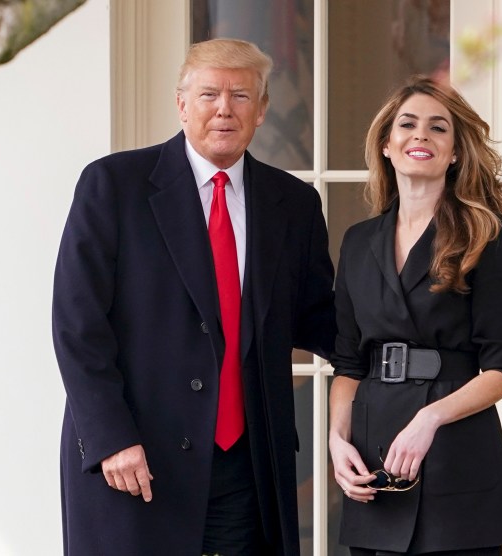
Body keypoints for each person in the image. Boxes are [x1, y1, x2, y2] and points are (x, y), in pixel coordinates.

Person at [53, 38, 336, 556]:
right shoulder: (114, 185)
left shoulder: (293, 203)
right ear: (182, 105)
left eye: (241, 96)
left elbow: (322, 320)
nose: (225, 108)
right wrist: (111, 437)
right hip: (136, 460)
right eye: (209, 94)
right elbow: (77, 326)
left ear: (263, 109)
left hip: (247, 467)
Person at [328, 75, 502, 556]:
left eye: (439, 128)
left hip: (454, 451)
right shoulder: (358, 241)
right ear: (386, 143)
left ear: (456, 152)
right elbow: (348, 367)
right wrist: (338, 442)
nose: (421, 135)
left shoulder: (489, 234)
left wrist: (429, 420)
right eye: (408, 124)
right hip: (375, 457)